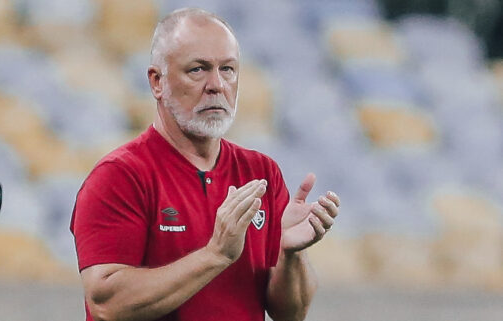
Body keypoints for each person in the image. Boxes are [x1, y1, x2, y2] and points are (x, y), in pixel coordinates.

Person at [70, 7, 340, 321]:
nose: (217, 85)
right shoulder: (119, 176)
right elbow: (107, 304)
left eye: (228, 69)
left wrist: (291, 254)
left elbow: (290, 313)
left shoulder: (261, 173)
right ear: (157, 81)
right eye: (198, 69)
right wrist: (215, 255)